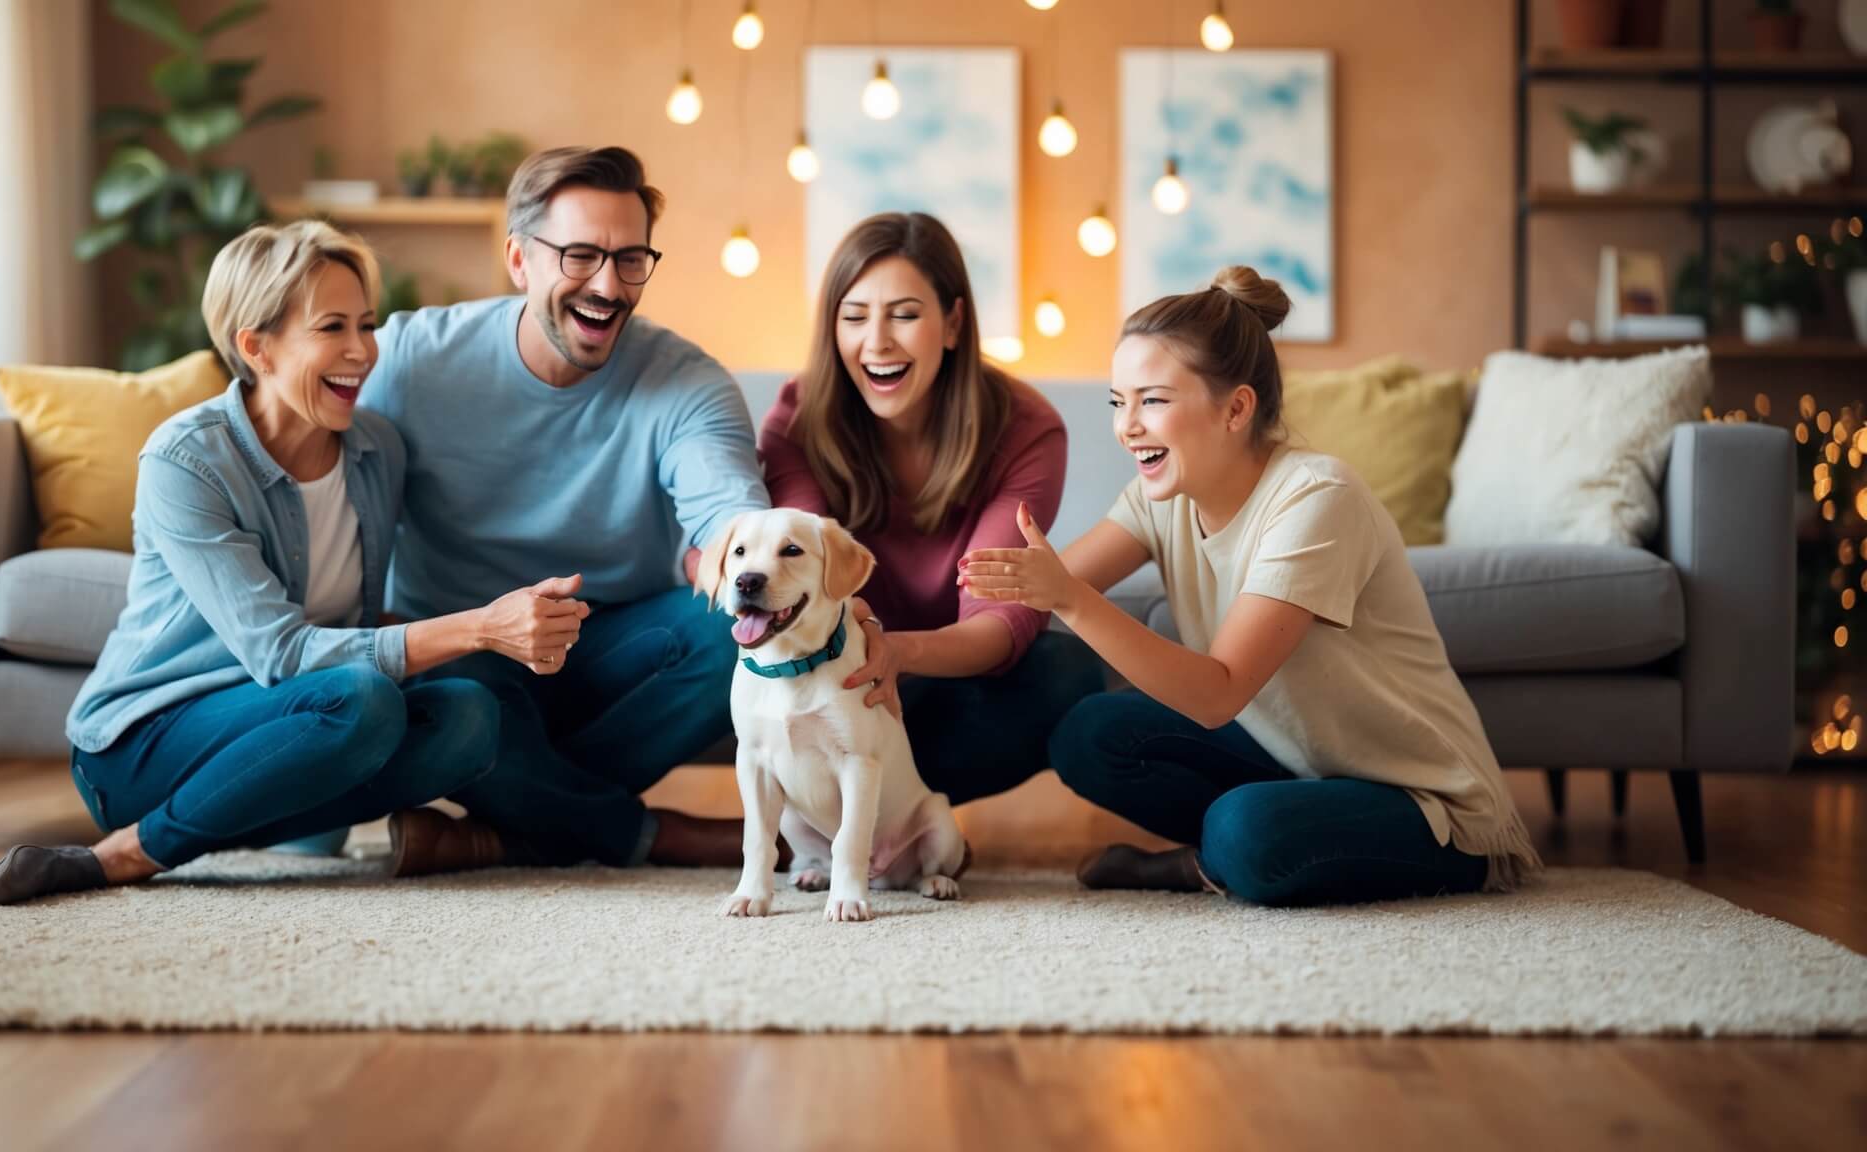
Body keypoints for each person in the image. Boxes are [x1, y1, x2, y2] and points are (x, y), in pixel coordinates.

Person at [961, 266, 1541, 907]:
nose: (1127, 426)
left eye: (1151, 400)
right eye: (1117, 402)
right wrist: (901, 622)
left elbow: (1217, 694)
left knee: (1248, 831)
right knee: (1088, 733)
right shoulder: (1163, 495)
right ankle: (1224, 855)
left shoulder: (1316, 499)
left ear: (1236, 408)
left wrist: (1068, 597)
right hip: (1291, 756)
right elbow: (1031, 588)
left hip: (1427, 802)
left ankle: (1213, 859)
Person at [0, 220, 512, 905]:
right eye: (332, 328)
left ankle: (249, 826)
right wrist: (477, 627)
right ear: (255, 346)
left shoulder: (379, 450)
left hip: (293, 731)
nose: (362, 352)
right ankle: (131, 852)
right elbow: (284, 654)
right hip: (146, 746)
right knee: (361, 698)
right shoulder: (187, 459)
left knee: (470, 714)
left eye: (367, 325)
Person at [360, 146, 773, 872]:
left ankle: (507, 831)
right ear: (519, 260)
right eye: (580, 256)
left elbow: (733, 527)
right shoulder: (409, 362)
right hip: (467, 648)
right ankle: (645, 836)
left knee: (730, 634)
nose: (609, 286)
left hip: (613, 651)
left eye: (631, 259)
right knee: (462, 711)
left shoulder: (687, 384)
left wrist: (742, 569)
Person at [760, 212, 1103, 804]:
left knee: (1065, 669)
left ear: (952, 323)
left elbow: (997, 620)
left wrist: (898, 651)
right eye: (855, 316)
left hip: (938, 684)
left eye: (905, 314)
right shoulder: (799, 415)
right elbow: (797, 576)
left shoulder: (1026, 429)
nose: (878, 342)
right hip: (829, 679)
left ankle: (900, 817)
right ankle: (831, 816)